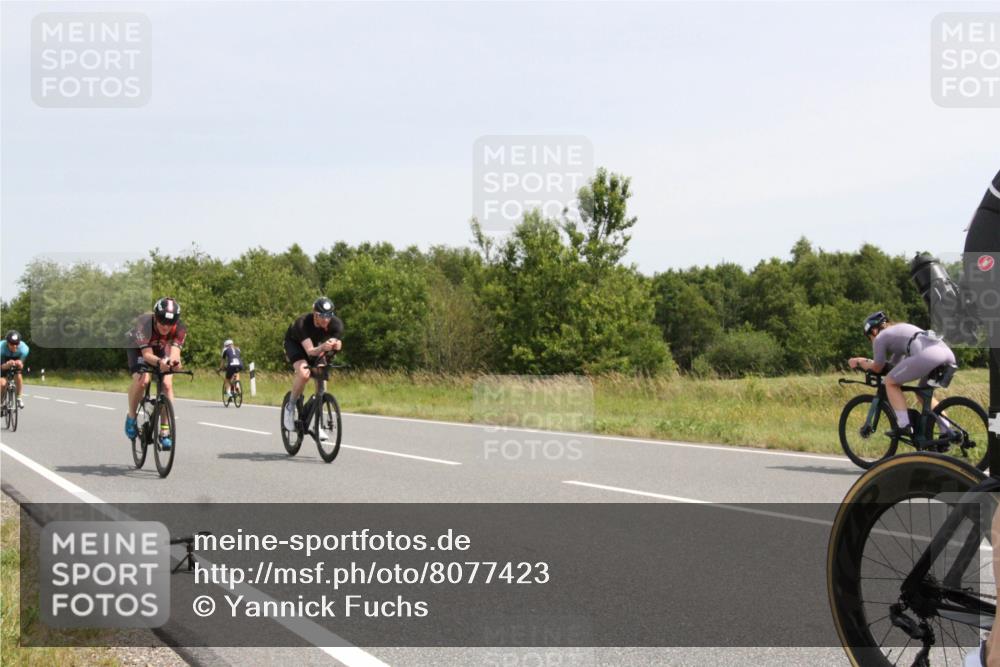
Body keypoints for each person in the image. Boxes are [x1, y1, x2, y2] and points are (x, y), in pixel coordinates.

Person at [847, 311, 957, 438]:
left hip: (928, 355)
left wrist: (860, 361)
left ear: (873, 331)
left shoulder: (880, 338)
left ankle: (904, 426)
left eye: (869, 338)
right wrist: (874, 364)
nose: (871, 341)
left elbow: (878, 367)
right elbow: (893, 367)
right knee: (922, 392)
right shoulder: (899, 330)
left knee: (890, 382)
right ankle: (947, 433)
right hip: (947, 354)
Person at [124, 297, 187, 449]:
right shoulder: (144, 324)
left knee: (167, 384)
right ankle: (131, 416)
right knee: (143, 380)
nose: (166, 326)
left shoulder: (180, 328)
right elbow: (146, 355)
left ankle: (164, 431)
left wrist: (174, 363)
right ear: (156, 317)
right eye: (162, 321)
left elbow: (175, 353)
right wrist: (160, 363)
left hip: (160, 348)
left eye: (170, 323)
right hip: (138, 349)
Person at [282, 297, 343, 440]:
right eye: (322, 316)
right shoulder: (302, 323)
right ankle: (290, 407)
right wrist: (323, 347)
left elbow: (332, 344)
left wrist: (336, 346)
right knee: (304, 374)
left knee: (321, 377)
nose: (326, 319)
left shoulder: (336, 325)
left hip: (316, 346)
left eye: (329, 315)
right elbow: (310, 351)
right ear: (315, 313)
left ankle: (318, 424)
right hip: (295, 345)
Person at [0, 330, 29, 409]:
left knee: (18, 375)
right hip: (3, 361)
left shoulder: (24, 348)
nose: (14, 346)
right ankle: (1, 401)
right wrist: (7, 365)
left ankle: (19, 397)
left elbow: (21, 365)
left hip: (16, 359)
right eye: (12, 344)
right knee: (2, 384)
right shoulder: (1, 348)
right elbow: (1, 367)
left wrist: (19, 363)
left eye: (17, 344)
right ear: (7, 343)